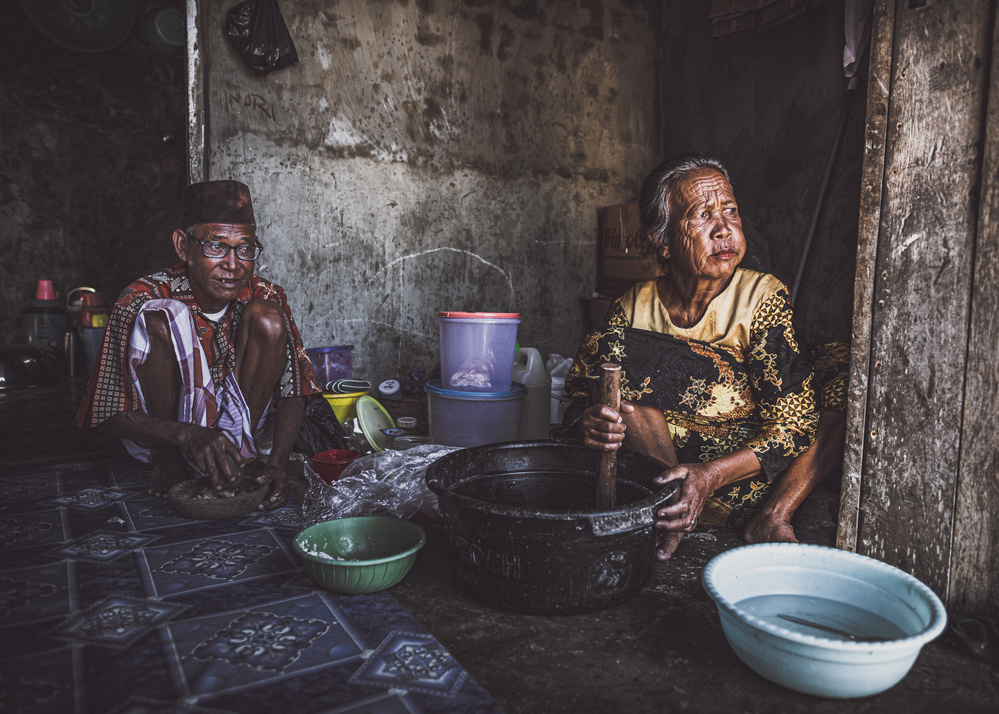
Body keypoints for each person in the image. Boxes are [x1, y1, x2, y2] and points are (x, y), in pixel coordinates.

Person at [555, 153, 848, 559]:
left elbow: (793, 426)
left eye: (730, 211)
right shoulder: (631, 308)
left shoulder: (762, 296)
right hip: (670, 470)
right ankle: (678, 506)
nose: (725, 229)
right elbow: (579, 407)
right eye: (703, 215)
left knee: (843, 368)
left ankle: (773, 516)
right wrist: (589, 425)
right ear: (662, 241)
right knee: (617, 368)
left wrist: (710, 475)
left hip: (742, 474)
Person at [76, 180, 321, 510]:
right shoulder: (139, 298)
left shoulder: (264, 294)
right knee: (164, 316)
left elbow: (296, 390)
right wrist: (184, 435)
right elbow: (102, 414)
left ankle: (241, 455)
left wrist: (277, 462)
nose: (233, 264)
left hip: (240, 432)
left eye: (245, 248)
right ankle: (168, 460)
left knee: (268, 317)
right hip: (162, 437)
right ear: (182, 246)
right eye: (216, 246)